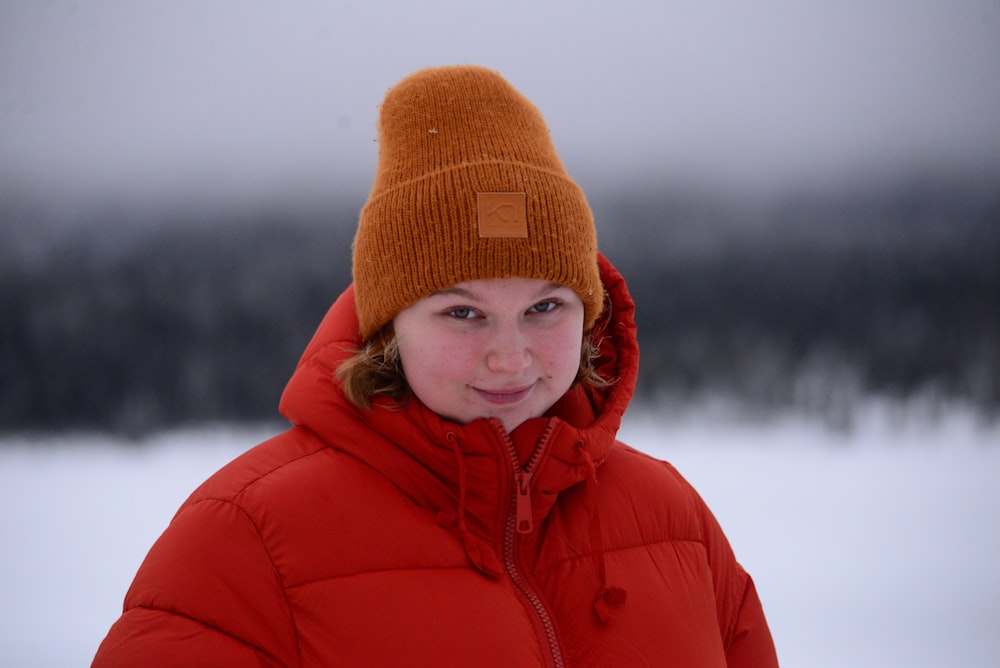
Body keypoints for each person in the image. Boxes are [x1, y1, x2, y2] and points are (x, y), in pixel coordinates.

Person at [93, 65, 778, 667]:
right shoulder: (245, 540)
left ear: (590, 314)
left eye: (545, 307)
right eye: (462, 313)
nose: (510, 356)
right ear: (390, 326)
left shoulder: (673, 522)